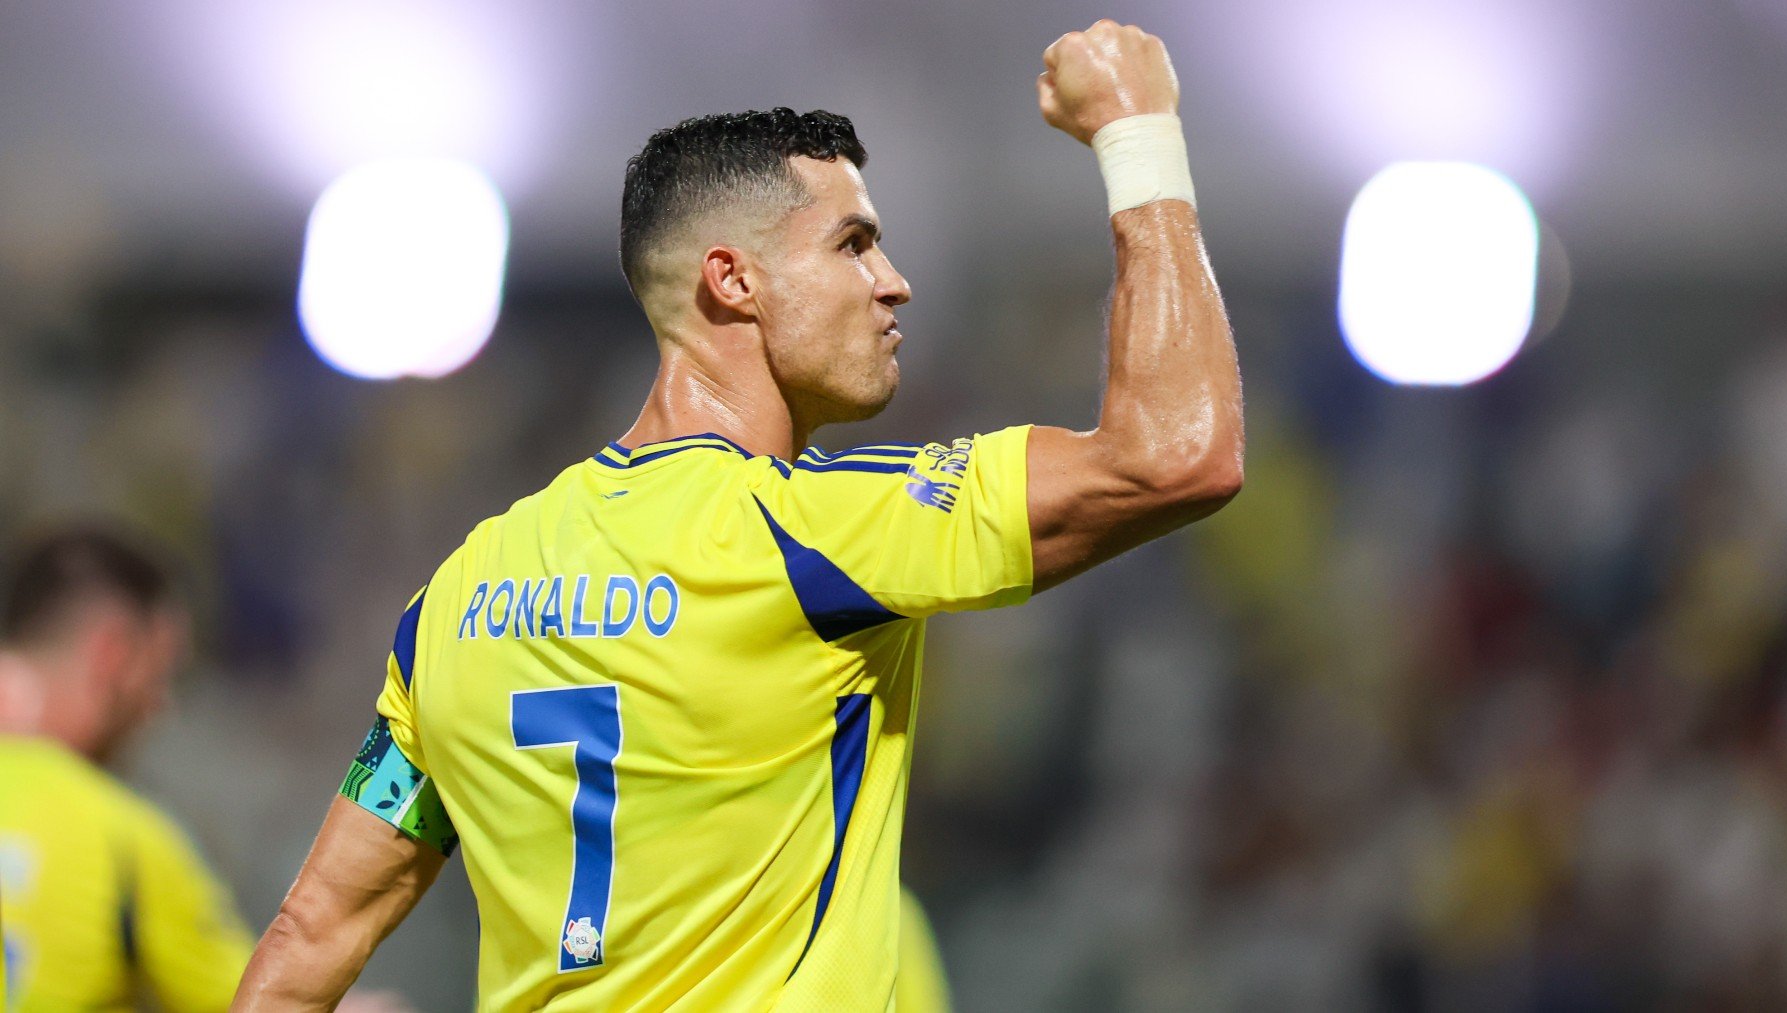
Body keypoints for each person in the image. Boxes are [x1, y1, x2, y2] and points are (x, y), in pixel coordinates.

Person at [236, 19, 1243, 1010]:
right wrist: (1137, 127)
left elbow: (307, 940)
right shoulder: (817, 536)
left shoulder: (455, 601)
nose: (894, 283)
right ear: (732, 279)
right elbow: (1179, 452)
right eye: (853, 244)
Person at [0, 527, 254, 1010]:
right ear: (112, 655)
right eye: (160, 673)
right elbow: (275, 1000)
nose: (162, 706)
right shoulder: (127, 842)